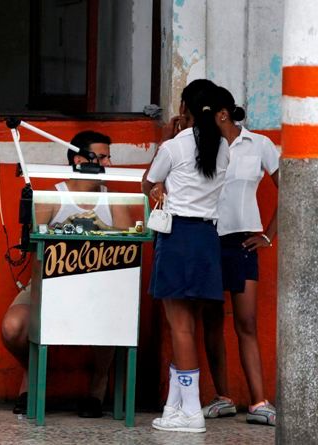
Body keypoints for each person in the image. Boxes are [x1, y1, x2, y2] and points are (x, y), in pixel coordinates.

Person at [1, 131, 132, 418]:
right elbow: (34, 242)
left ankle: (98, 386)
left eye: (109, 156)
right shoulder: (53, 196)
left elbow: (126, 245)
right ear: (79, 159)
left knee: (114, 315)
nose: (108, 163)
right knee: (13, 327)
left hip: (99, 287)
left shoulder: (114, 200)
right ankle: (33, 376)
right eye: (102, 157)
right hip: (49, 284)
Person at [142, 84, 229, 433]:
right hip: (207, 238)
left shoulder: (173, 146)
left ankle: (191, 412)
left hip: (178, 237)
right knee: (188, 325)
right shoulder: (223, 147)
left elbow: (147, 183)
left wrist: (167, 136)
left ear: (184, 107)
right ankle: (175, 406)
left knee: (179, 327)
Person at [200, 87, 279, 426]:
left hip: (244, 242)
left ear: (222, 114)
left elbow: (290, 187)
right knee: (212, 321)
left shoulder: (260, 144)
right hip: (208, 239)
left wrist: (268, 235)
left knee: (246, 322)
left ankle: (259, 402)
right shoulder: (202, 145)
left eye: (207, 115)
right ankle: (223, 397)